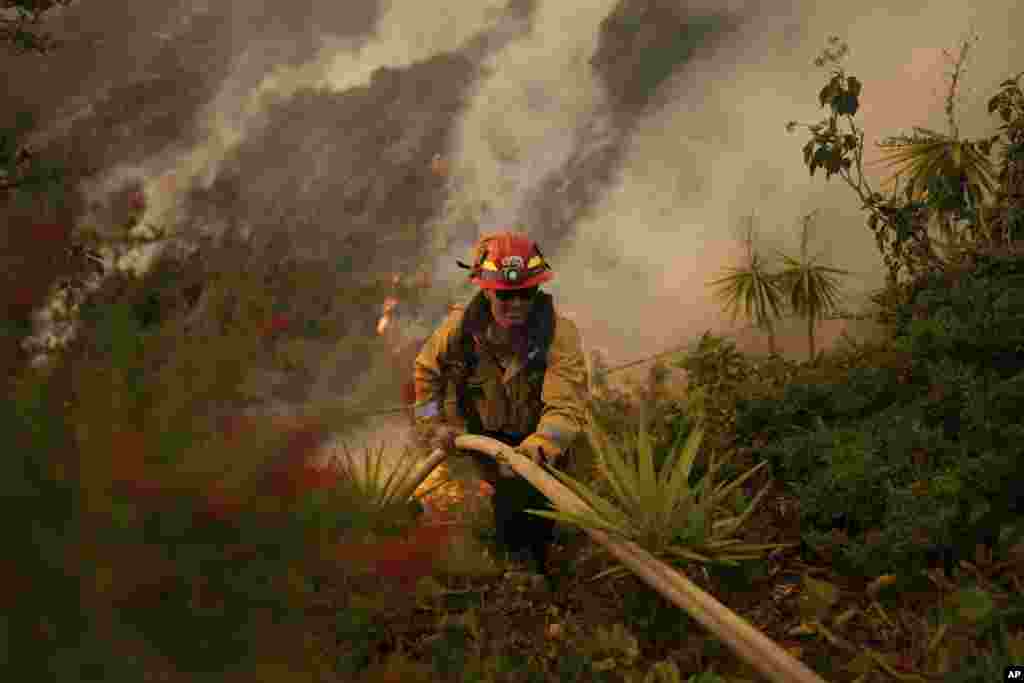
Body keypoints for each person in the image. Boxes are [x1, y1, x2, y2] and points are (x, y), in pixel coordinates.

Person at [412, 231, 590, 580]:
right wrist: (433, 426)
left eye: (526, 293)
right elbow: (424, 375)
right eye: (506, 295)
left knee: (540, 514)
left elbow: (566, 407)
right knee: (509, 509)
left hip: (540, 445)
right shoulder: (459, 330)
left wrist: (539, 446)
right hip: (485, 439)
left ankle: (535, 574)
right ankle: (518, 575)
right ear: (486, 290)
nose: (517, 304)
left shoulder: (558, 335)